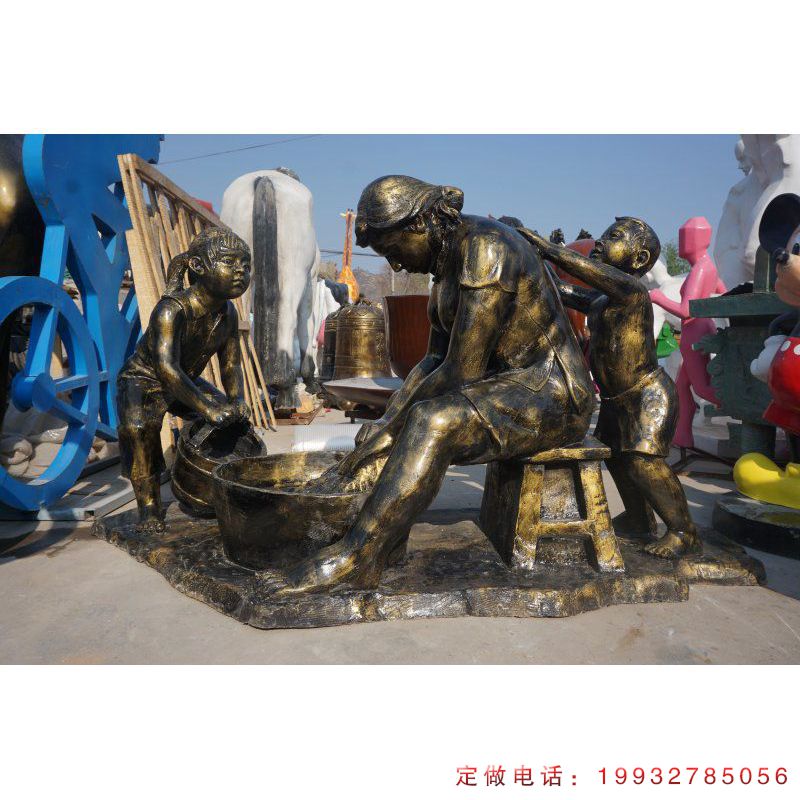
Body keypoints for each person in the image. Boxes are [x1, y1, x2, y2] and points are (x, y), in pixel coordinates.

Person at [278, 175, 594, 594]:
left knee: (433, 421)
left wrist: (393, 426)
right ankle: (384, 538)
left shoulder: (486, 249)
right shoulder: (445, 264)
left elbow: (462, 370)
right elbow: (432, 361)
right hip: (508, 385)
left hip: (553, 392)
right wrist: (386, 420)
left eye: (394, 251)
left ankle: (359, 555)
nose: (395, 266)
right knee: (395, 424)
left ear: (420, 224)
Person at [521, 218, 701, 559]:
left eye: (614, 237)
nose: (602, 241)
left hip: (646, 395)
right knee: (617, 461)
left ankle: (683, 531)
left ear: (639, 258)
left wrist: (548, 248)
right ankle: (638, 519)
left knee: (644, 463)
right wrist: (534, 259)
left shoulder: (632, 291)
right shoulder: (602, 300)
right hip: (617, 400)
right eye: (604, 234)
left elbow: (586, 271)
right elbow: (561, 290)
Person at [117, 227, 251, 532]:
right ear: (198, 266)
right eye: (230, 262)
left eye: (246, 265)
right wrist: (206, 408)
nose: (240, 272)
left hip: (183, 380)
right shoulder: (172, 310)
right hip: (143, 379)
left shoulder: (228, 314)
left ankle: (213, 487)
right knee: (139, 432)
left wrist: (236, 400)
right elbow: (166, 368)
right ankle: (149, 508)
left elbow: (231, 364)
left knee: (231, 422)